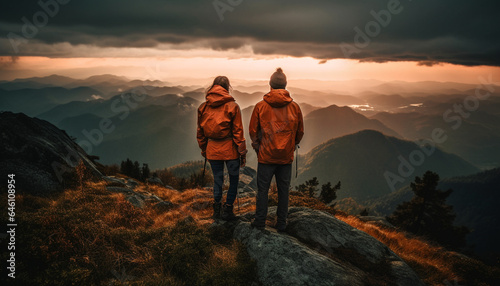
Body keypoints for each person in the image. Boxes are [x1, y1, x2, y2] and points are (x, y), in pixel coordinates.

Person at [249, 68, 304, 231]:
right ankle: (281, 223)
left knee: (263, 190)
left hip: (266, 157)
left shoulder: (260, 106)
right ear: (285, 86)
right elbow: (300, 132)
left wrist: (258, 146)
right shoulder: (295, 107)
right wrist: (292, 145)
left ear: (270, 85)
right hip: (285, 157)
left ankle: (260, 221)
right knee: (283, 191)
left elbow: (253, 131)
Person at [197, 76, 247, 220]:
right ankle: (228, 210)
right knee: (234, 180)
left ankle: (216, 210)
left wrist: (204, 149)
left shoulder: (203, 107)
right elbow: (238, 133)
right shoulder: (233, 106)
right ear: (227, 88)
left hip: (212, 150)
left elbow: (200, 133)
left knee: (218, 180)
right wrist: (242, 152)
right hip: (230, 151)